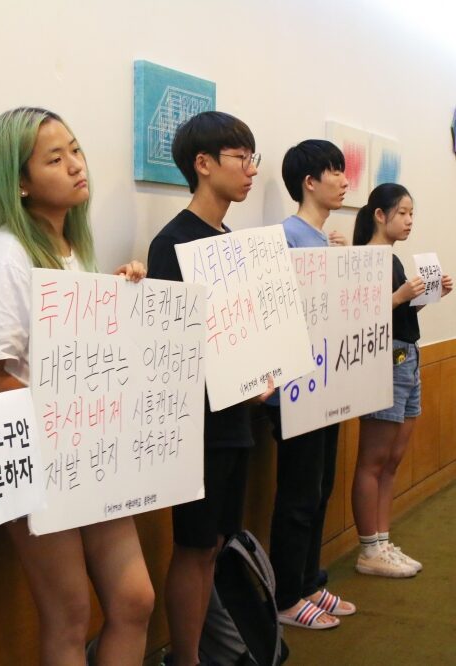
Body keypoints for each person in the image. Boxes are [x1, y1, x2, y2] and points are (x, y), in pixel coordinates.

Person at [0, 107, 154, 666]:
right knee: (69, 615)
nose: (75, 165)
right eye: (54, 158)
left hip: (91, 449)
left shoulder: (75, 249)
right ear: (20, 183)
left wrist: (118, 300)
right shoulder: (4, 256)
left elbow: (77, 353)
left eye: (74, 150)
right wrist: (60, 407)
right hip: (37, 460)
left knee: (135, 599)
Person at [147, 111, 271, 666]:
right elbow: (168, 347)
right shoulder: (172, 243)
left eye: (252, 158)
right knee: (194, 545)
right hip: (197, 427)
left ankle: (197, 653)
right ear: (203, 164)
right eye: (241, 158)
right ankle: (185, 658)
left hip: (236, 420)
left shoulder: (232, 243)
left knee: (216, 544)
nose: (251, 170)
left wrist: (262, 372)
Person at [265, 139, 356, 630]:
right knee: (298, 492)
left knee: (320, 488)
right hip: (295, 391)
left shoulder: (323, 240)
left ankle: (309, 581)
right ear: (309, 181)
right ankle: (286, 595)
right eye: (334, 171)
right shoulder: (286, 237)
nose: (344, 180)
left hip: (328, 385)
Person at [351, 183, 452, 577]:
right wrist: (400, 295)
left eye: (412, 214)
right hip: (385, 360)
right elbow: (360, 316)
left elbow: (399, 316)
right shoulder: (365, 259)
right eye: (403, 213)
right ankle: (368, 549)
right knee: (373, 460)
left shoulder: (392, 259)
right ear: (380, 215)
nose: (410, 221)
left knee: (392, 460)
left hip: (406, 356)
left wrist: (425, 296)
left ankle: (382, 540)